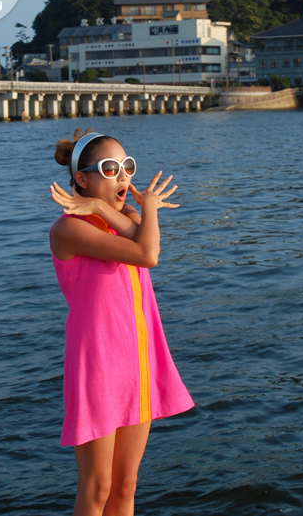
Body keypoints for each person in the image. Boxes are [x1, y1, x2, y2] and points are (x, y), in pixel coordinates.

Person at [49, 129, 194, 516]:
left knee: (126, 485)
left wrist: (102, 206)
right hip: (97, 366)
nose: (124, 177)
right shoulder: (68, 229)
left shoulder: (126, 216)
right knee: (98, 487)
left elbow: (143, 241)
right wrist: (142, 209)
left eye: (127, 167)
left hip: (138, 361)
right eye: (111, 169)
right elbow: (147, 254)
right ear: (81, 179)